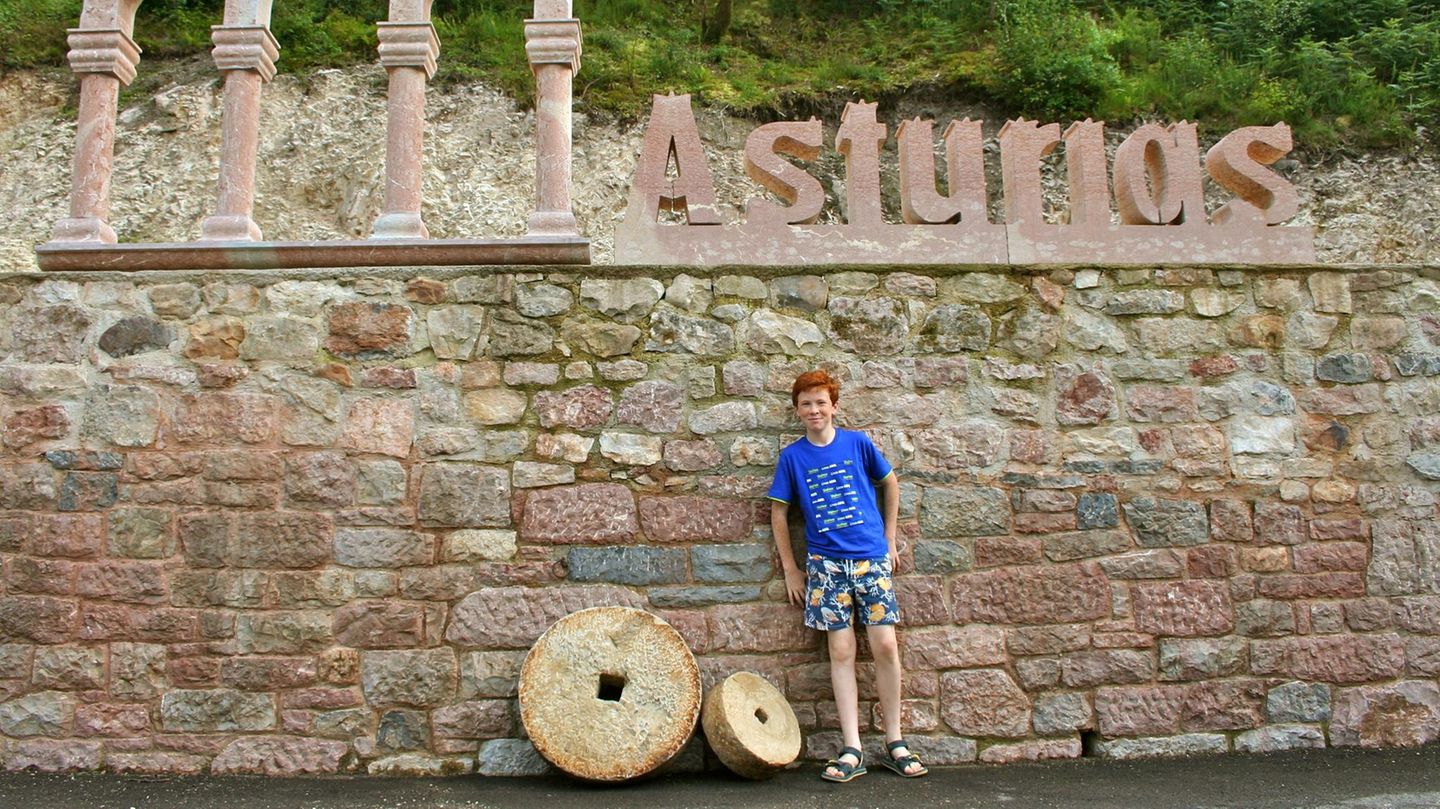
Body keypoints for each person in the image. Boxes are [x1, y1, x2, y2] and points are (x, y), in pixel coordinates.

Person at [767, 369, 927, 782]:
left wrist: (890, 540)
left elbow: (890, 483)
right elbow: (779, 512)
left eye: (821, 402)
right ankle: (852, 748)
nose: (814, 409)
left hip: (870, 560)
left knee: (886, 646)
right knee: (840, 653)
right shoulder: (793, 457)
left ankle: (895, 741)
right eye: (806, 403)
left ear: (834, 406)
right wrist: (791, 568)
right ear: (797, 410)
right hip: (825, 565)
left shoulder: (857, 443)